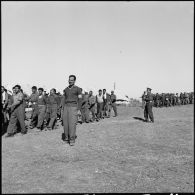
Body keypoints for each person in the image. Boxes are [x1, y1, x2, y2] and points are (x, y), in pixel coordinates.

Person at [62, 75, 82, 146]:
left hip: (73, 107)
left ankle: (72, 139)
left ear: (74, 81)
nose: (70, 81)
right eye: (69, 80)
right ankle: (66, 137)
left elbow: (80, 100)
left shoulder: (78, 89)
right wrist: (62, 108)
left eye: (72, 80)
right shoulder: (65, 89)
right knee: (65, 123)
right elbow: (63, 99)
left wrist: (79, 109)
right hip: (66, 107)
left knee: (72, 124)